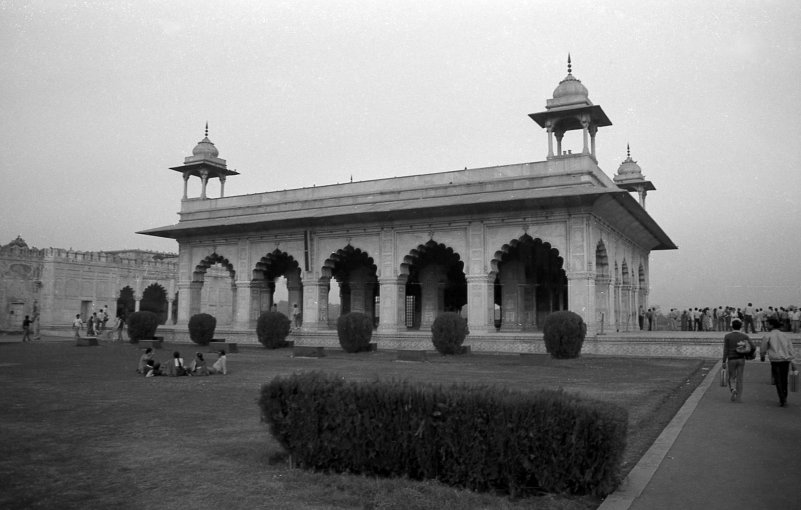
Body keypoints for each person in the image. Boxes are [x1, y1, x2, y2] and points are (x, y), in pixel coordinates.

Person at [760, 318, 797, 407]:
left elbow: (763, 348)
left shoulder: (768, 335)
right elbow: (790, 349)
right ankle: (784, 396)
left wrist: (762, 356)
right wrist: (793, 362)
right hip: (785, 360)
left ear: (772, 325)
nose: (766, 326)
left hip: (775, 360)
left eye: (768, 324)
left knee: (778, 379)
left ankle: (782, 398)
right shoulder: (785, 335)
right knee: (784, 379)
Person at [722, 318, 754, 403]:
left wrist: (723, 361)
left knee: (732, 376)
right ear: (741, 327)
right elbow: (753, 346)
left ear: (732, 326)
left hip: (731, 359)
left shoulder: (727, 336)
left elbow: (725, 350)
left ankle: (733, 389)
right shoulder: (744, 336)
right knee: (740, 378)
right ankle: (739, 397)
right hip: (741, 359)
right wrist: (748, 354)